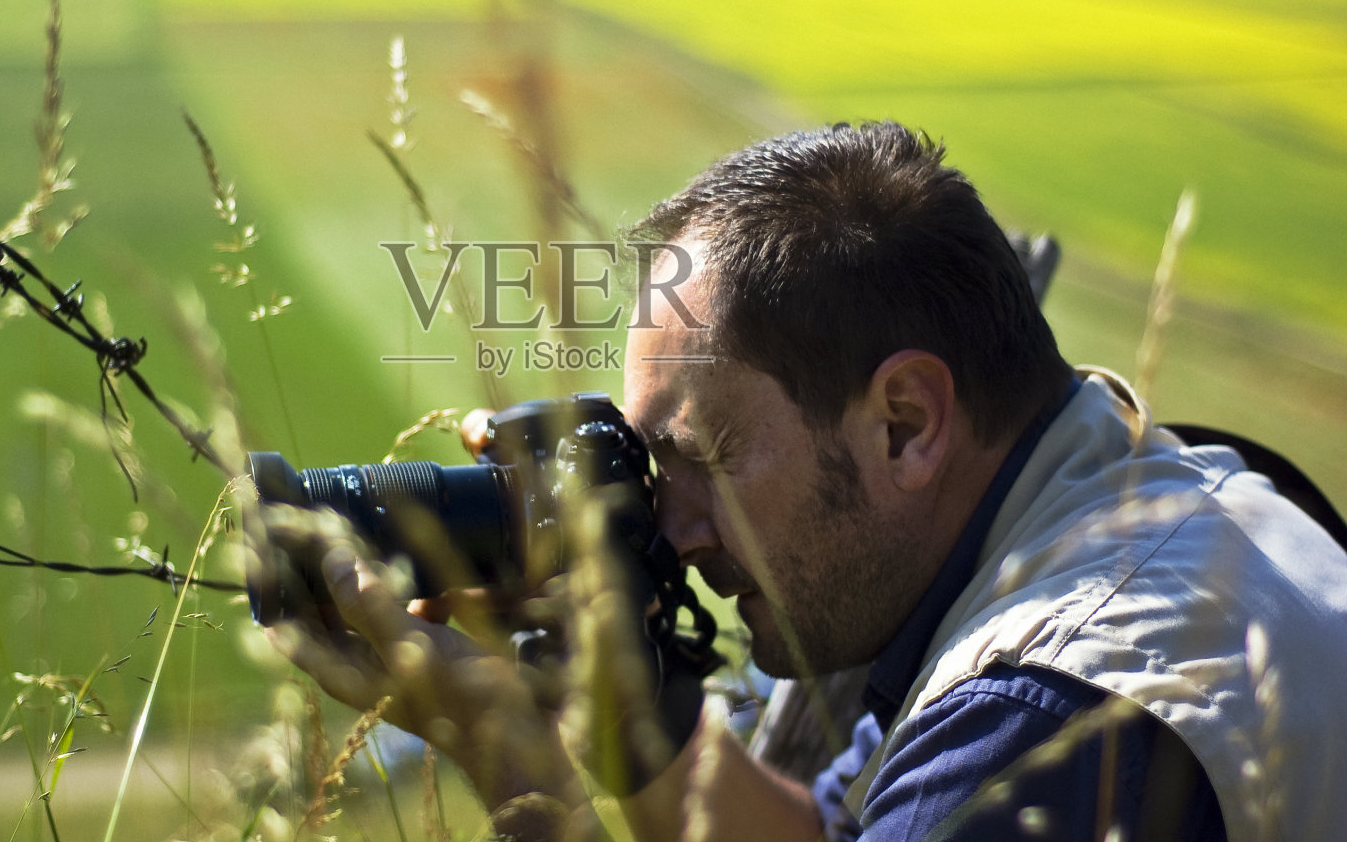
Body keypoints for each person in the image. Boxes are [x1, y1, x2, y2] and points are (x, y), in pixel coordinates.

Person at [263, 123, 1347, 841]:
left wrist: (513, 763)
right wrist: (632, 708)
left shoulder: (1046, 732)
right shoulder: (1151, 500)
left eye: (704, 457)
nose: (672, 525)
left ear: (905, 421)